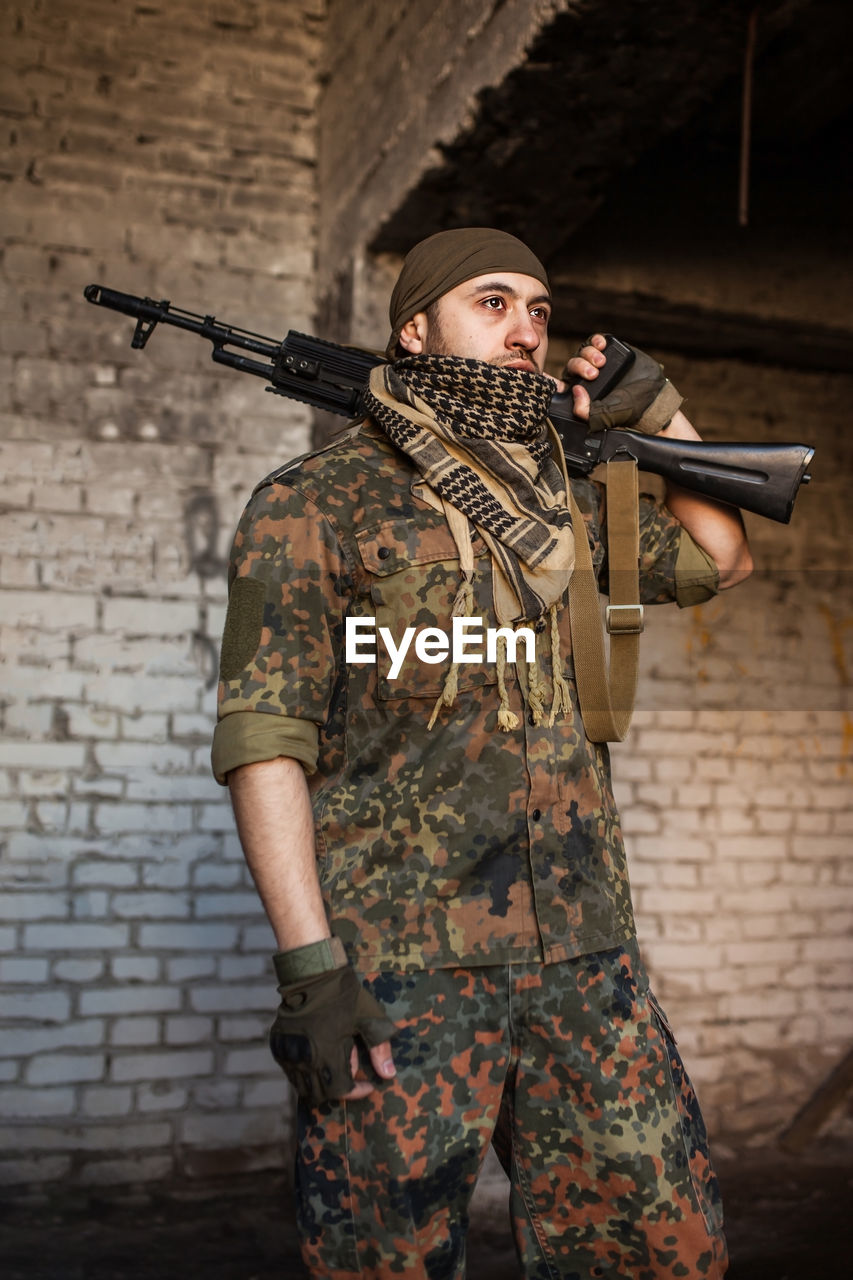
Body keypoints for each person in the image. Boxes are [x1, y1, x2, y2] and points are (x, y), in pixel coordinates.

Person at [212, 227, 752, 1280]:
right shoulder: (312, 502)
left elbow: (721, 558)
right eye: (491, 302)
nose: (524, 330)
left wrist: (659, 409)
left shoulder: (571, 505)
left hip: (587, 963)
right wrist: (311, 968)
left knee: (661, 1255)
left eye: (539, 311)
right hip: (402, 969)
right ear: (414, 329)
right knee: (385, 1260)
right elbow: (265, 742)